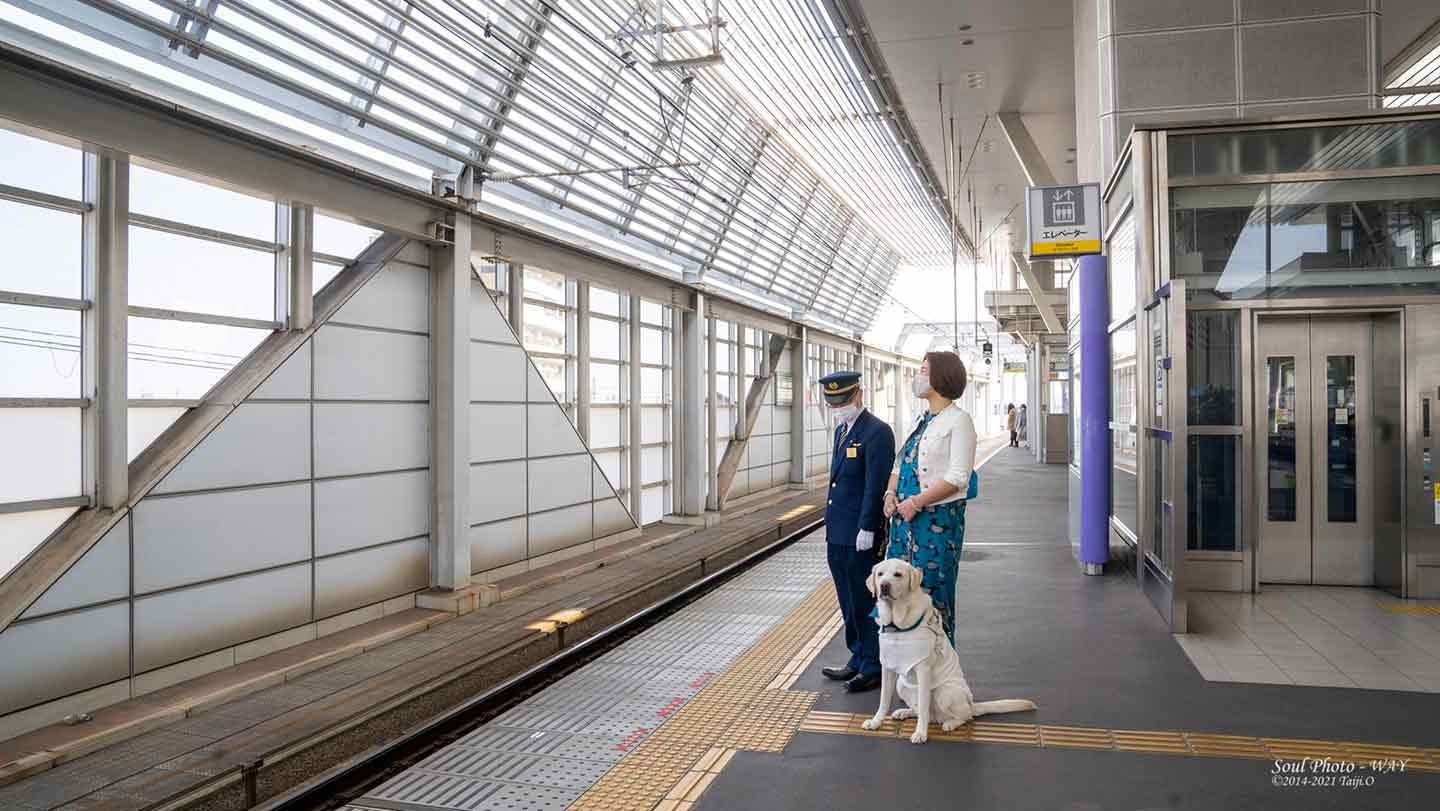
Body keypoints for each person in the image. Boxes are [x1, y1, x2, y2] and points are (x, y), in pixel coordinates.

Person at [883, 351, 977, 643]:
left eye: (924, 370)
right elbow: (900, 464)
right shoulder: (920, 419)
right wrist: (889, 493)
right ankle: (906, 664)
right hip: (903, 524)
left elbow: (958, 477)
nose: (918, 377)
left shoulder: (959, 421)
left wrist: (916, 501)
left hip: (936, 524)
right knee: (898, 596)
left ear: (940, 377)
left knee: (933, 594)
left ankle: (939, 668)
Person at [817, 370, 896, 693]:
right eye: (833, 403)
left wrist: (867, 526)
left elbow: (874, 485)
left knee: (864, 599)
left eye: (844, 401)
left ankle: (873, 664)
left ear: (858, 395)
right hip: (837, 531)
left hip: (859, 534)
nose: (839, 407)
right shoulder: (842, 431)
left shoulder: (877, 432)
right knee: (846, 597)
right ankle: (857, 654)